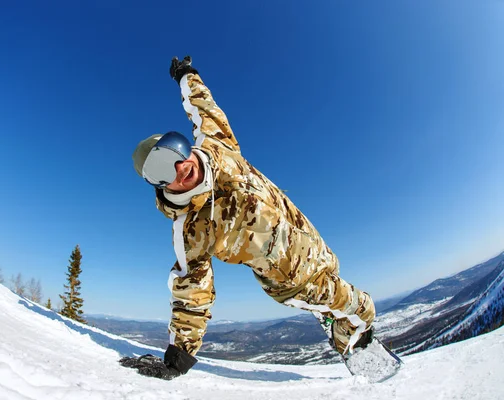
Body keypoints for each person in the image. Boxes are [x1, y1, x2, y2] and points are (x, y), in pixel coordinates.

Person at [120, 56, 376, 380]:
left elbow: (203, 106)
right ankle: (354, 336)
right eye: (160, 170)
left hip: (313, 244)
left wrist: (187, 75)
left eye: (174, 150)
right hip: (292, 282)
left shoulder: (217, 145)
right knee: (362, 306)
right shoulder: (191, 229)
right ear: (157, 186)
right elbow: (192, 291)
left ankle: (338, 324)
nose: (179, 167)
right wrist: (179, 356)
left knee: (335, 279)